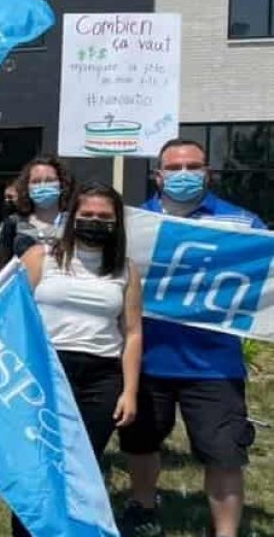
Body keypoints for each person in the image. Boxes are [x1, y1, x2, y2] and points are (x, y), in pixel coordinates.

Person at [118, 139, 265, 537]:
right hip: (147, 360)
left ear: (208, 173)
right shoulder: (133, 224)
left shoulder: (242, 225)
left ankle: (226, 532)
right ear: (158, 175)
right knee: (141, 443)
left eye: (194, 167)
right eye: (176, 168)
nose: (185, 175)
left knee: (224, 455)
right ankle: (143, 507)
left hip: (214, 365)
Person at [16, 182, 143, 536]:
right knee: (39, 466)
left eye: (105, 216)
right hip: (47, 371)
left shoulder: (126, 270)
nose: (95, 221)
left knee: (81, 468)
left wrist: (130, 390)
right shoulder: (42, 257)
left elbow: (132, 333)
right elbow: (9, 311)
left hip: (102, 379)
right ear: (72, 217)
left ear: (117, 223)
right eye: (87, 214)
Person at [0, 155, 75, 275]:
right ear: (27, 187)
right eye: (36, 181)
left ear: (62, 185)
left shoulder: (72, 224)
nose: (43, 185)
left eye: (50, 180)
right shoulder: (14, 224)